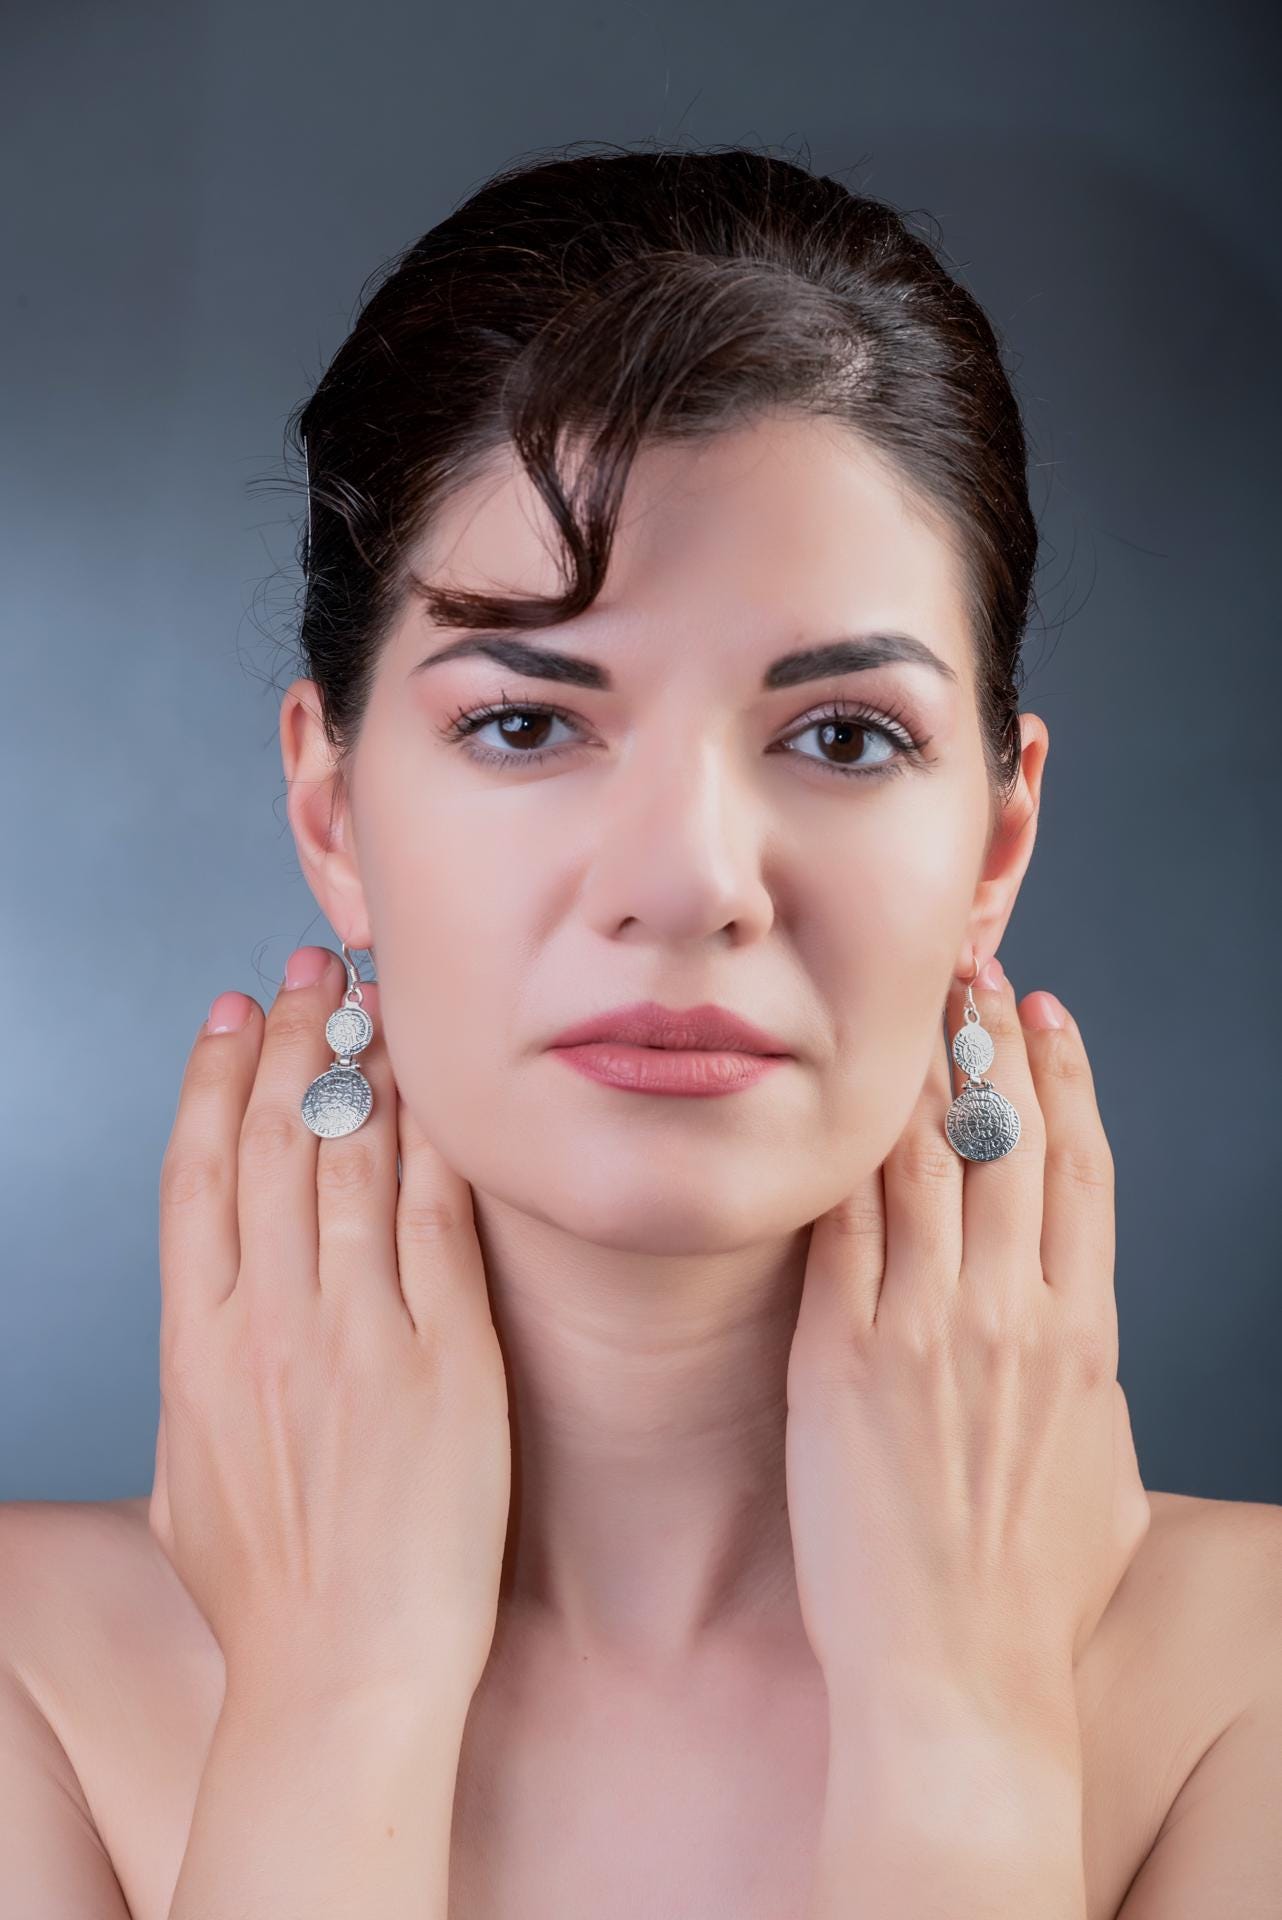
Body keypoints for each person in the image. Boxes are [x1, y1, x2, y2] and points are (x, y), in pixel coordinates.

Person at [3, 143, 1279, 1919]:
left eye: (841, 736)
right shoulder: (29, 1699)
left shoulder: (1254, 1703)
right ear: (327, 807)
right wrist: (328, 1708)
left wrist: (962, 1731)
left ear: (996, 839)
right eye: (526, 725)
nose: (684, 886)